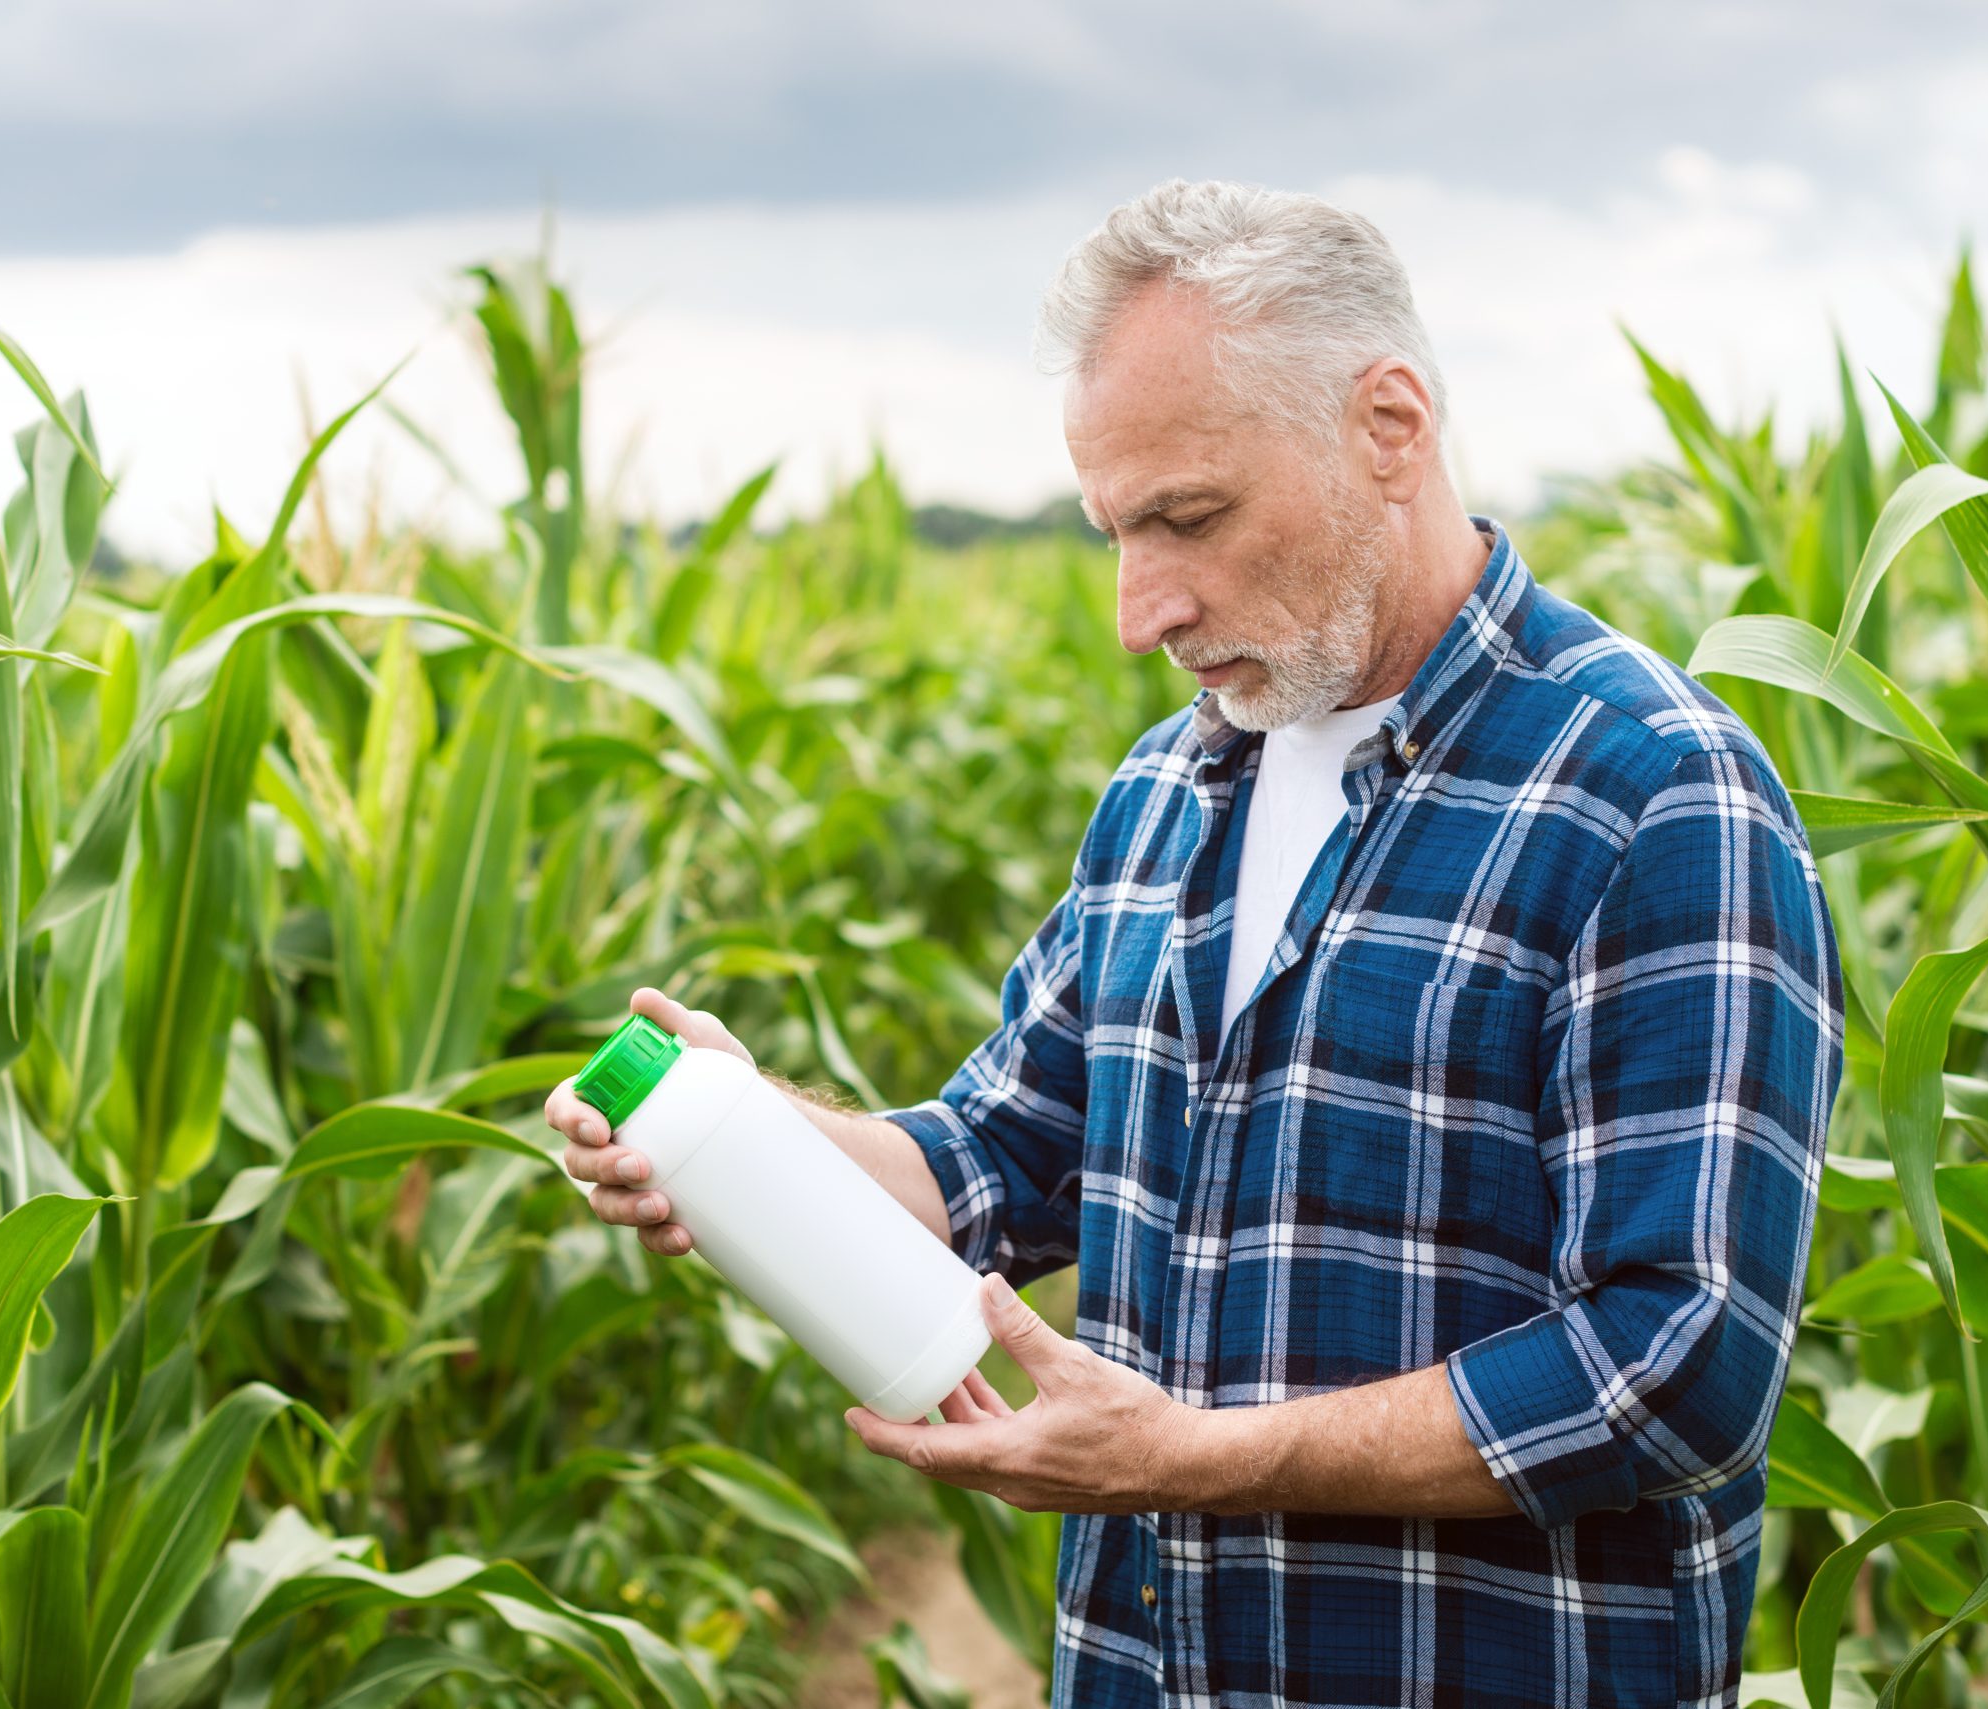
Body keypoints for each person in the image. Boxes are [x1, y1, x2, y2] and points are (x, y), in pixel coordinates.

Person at [547, 179, 1842, 1709]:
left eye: (1187, 517)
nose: (1136, 608)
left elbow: (1675, 1364)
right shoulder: (1172, 787)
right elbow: (993, 1160)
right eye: (1115, 529)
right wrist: (748, 1136)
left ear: (1390, 425)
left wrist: (1193, 1459)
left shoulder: (1648, 796)